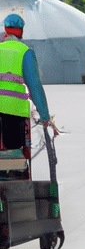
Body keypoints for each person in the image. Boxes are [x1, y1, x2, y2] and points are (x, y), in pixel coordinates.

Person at [0, 13, 51, 153]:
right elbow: (34, 86)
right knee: (14, 155)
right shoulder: (25, 53)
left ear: (5, 29)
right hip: (14, 112)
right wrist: (44, 115)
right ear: (21, 31)